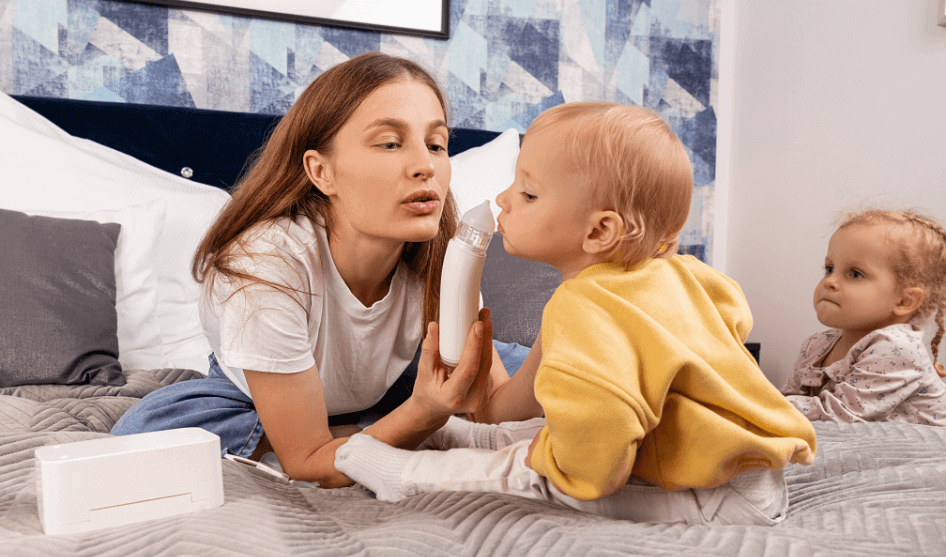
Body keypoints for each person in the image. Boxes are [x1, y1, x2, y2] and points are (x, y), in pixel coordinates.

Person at [334, 102, 818, 526]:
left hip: (714, 495)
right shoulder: (681, 276)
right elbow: (731, 316)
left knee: (538, 472)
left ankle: (408, 476)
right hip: (747, 471)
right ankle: (475, 440)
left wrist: (535, 466)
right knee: (560, 430)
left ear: (599, 231)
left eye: (528, 194)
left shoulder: (584, 309)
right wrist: (489, 423)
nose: (503, 199)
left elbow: (591, 466)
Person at [111, 52, 530, 487]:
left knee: (553, 378)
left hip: (395, 376)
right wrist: (425, 413)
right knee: (147, 433)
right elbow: (306, 461)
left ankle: (367, 425)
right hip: (259, 390)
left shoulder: (443, 256)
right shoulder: (264, 265)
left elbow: (492, 406)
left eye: (436, 144)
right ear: (321, 171)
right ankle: (368, 424)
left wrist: (561, 333)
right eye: (390, 143)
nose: (425, 165)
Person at [780, 209, 946, 425]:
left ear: (904, 301)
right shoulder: (816, 345)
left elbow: (839, 414)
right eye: (829, 269)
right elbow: (787, 399)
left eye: (855, 274)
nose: (829, 281)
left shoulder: (898, 349)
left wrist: (758, 405)